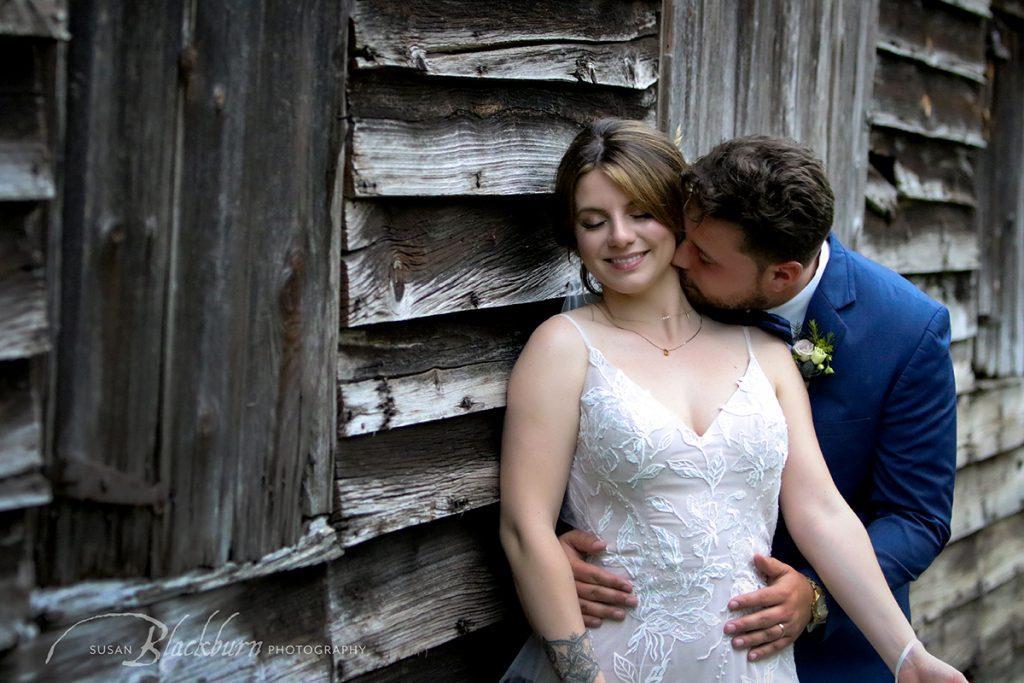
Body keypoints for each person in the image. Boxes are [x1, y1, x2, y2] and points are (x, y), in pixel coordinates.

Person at [498, 119, 964, 683]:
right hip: (615, 658)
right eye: (594, 222)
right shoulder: (560, 348)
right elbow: (526, 528)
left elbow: (821, 509)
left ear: (677, 218)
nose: (619, 236)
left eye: (641, 213)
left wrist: (907, 656)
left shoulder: (766, 351)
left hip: (753, 666)